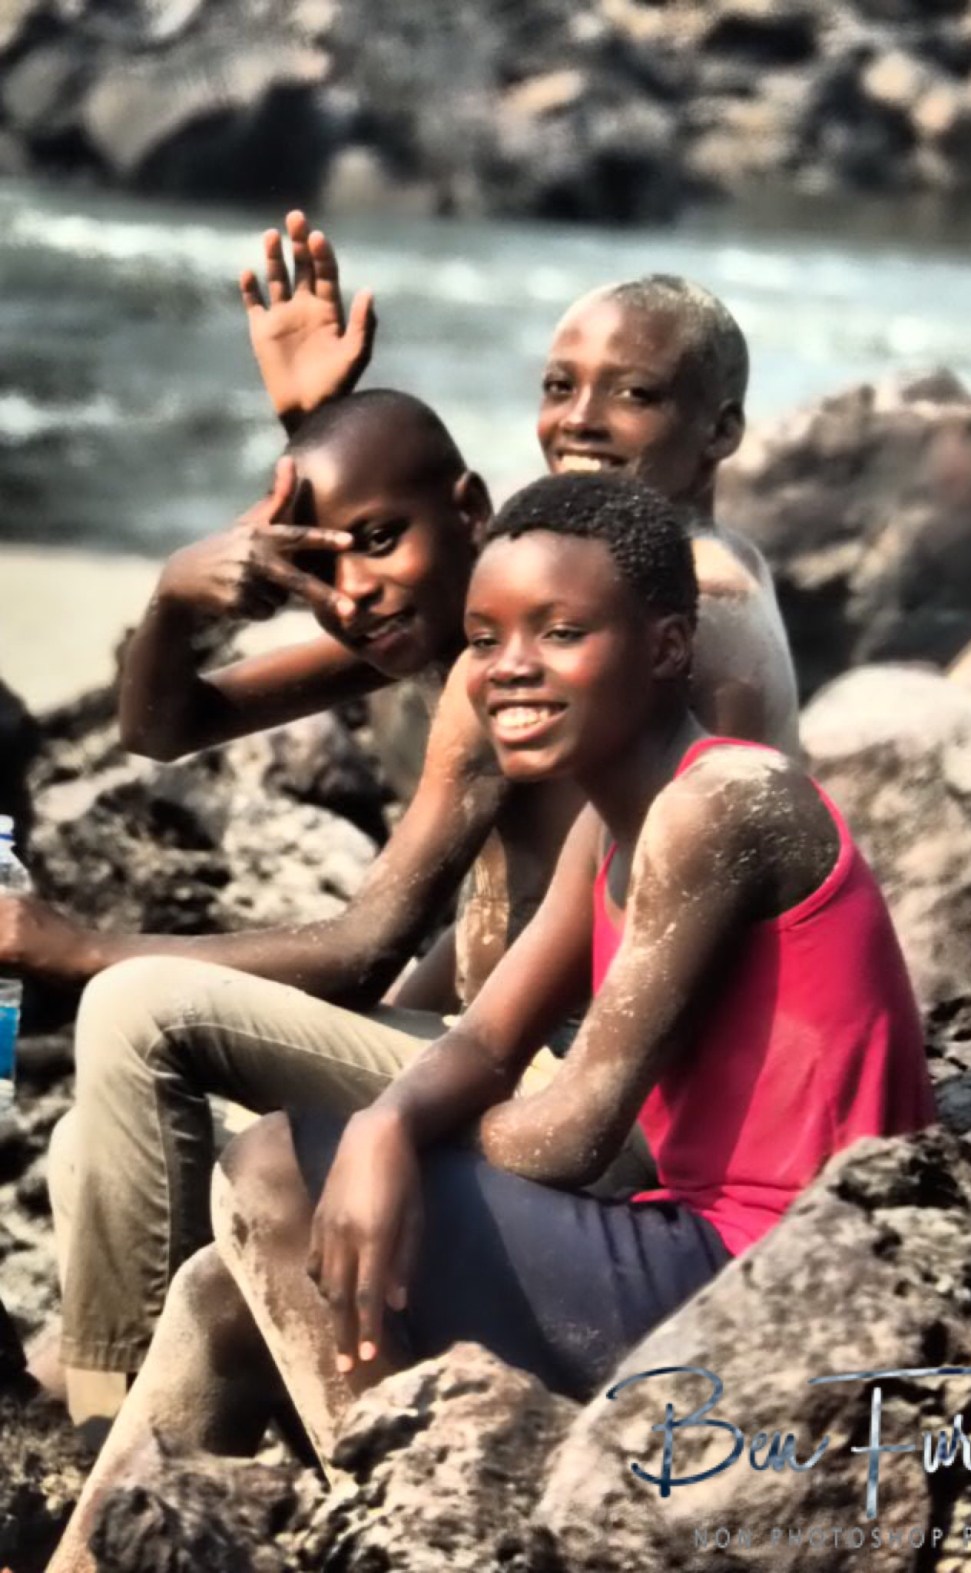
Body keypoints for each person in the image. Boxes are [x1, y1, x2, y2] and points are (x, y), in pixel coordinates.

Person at [44, 473, 933, 1573]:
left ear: (665, 647)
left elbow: (577, 1130)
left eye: (560, 632)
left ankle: (409, 1533)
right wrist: (381, 1127)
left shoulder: (725, 801)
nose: (511, 665)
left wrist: (379, 1143)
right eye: (486, 636)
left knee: (278, 1171)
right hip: (692, 1246)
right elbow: (480, 1041)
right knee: (225, 1287)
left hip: (782, 1283)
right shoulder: (606, 828)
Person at [34, 232, 807, 1418]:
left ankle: (93, 1416)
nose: (581, 420)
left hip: (596, 1102)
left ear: (722, 432)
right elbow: (172, 722)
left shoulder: (688, 613)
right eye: (559, 387)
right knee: (90, 1150)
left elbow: (372, 943)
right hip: (495, 1042)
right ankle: (138, 1428)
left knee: (133, 1006)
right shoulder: (583, 588)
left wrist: (70, 947)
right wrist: (323, 449)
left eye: (634, 393)